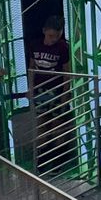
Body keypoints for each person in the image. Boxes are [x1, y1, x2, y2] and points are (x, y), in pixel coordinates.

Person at [25, 15, 73, 170]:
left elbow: (67, 73)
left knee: (57, 124)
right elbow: (31, 68)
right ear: (44, 31)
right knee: (42, 123)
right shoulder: (34, 45)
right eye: (51, 36)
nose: (53, 40)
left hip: (57, 90)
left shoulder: (63, 48)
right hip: (40, 89)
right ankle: (43, 156)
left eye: (56, 37)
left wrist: (65, 95)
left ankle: (59, 157)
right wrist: (30, 89)